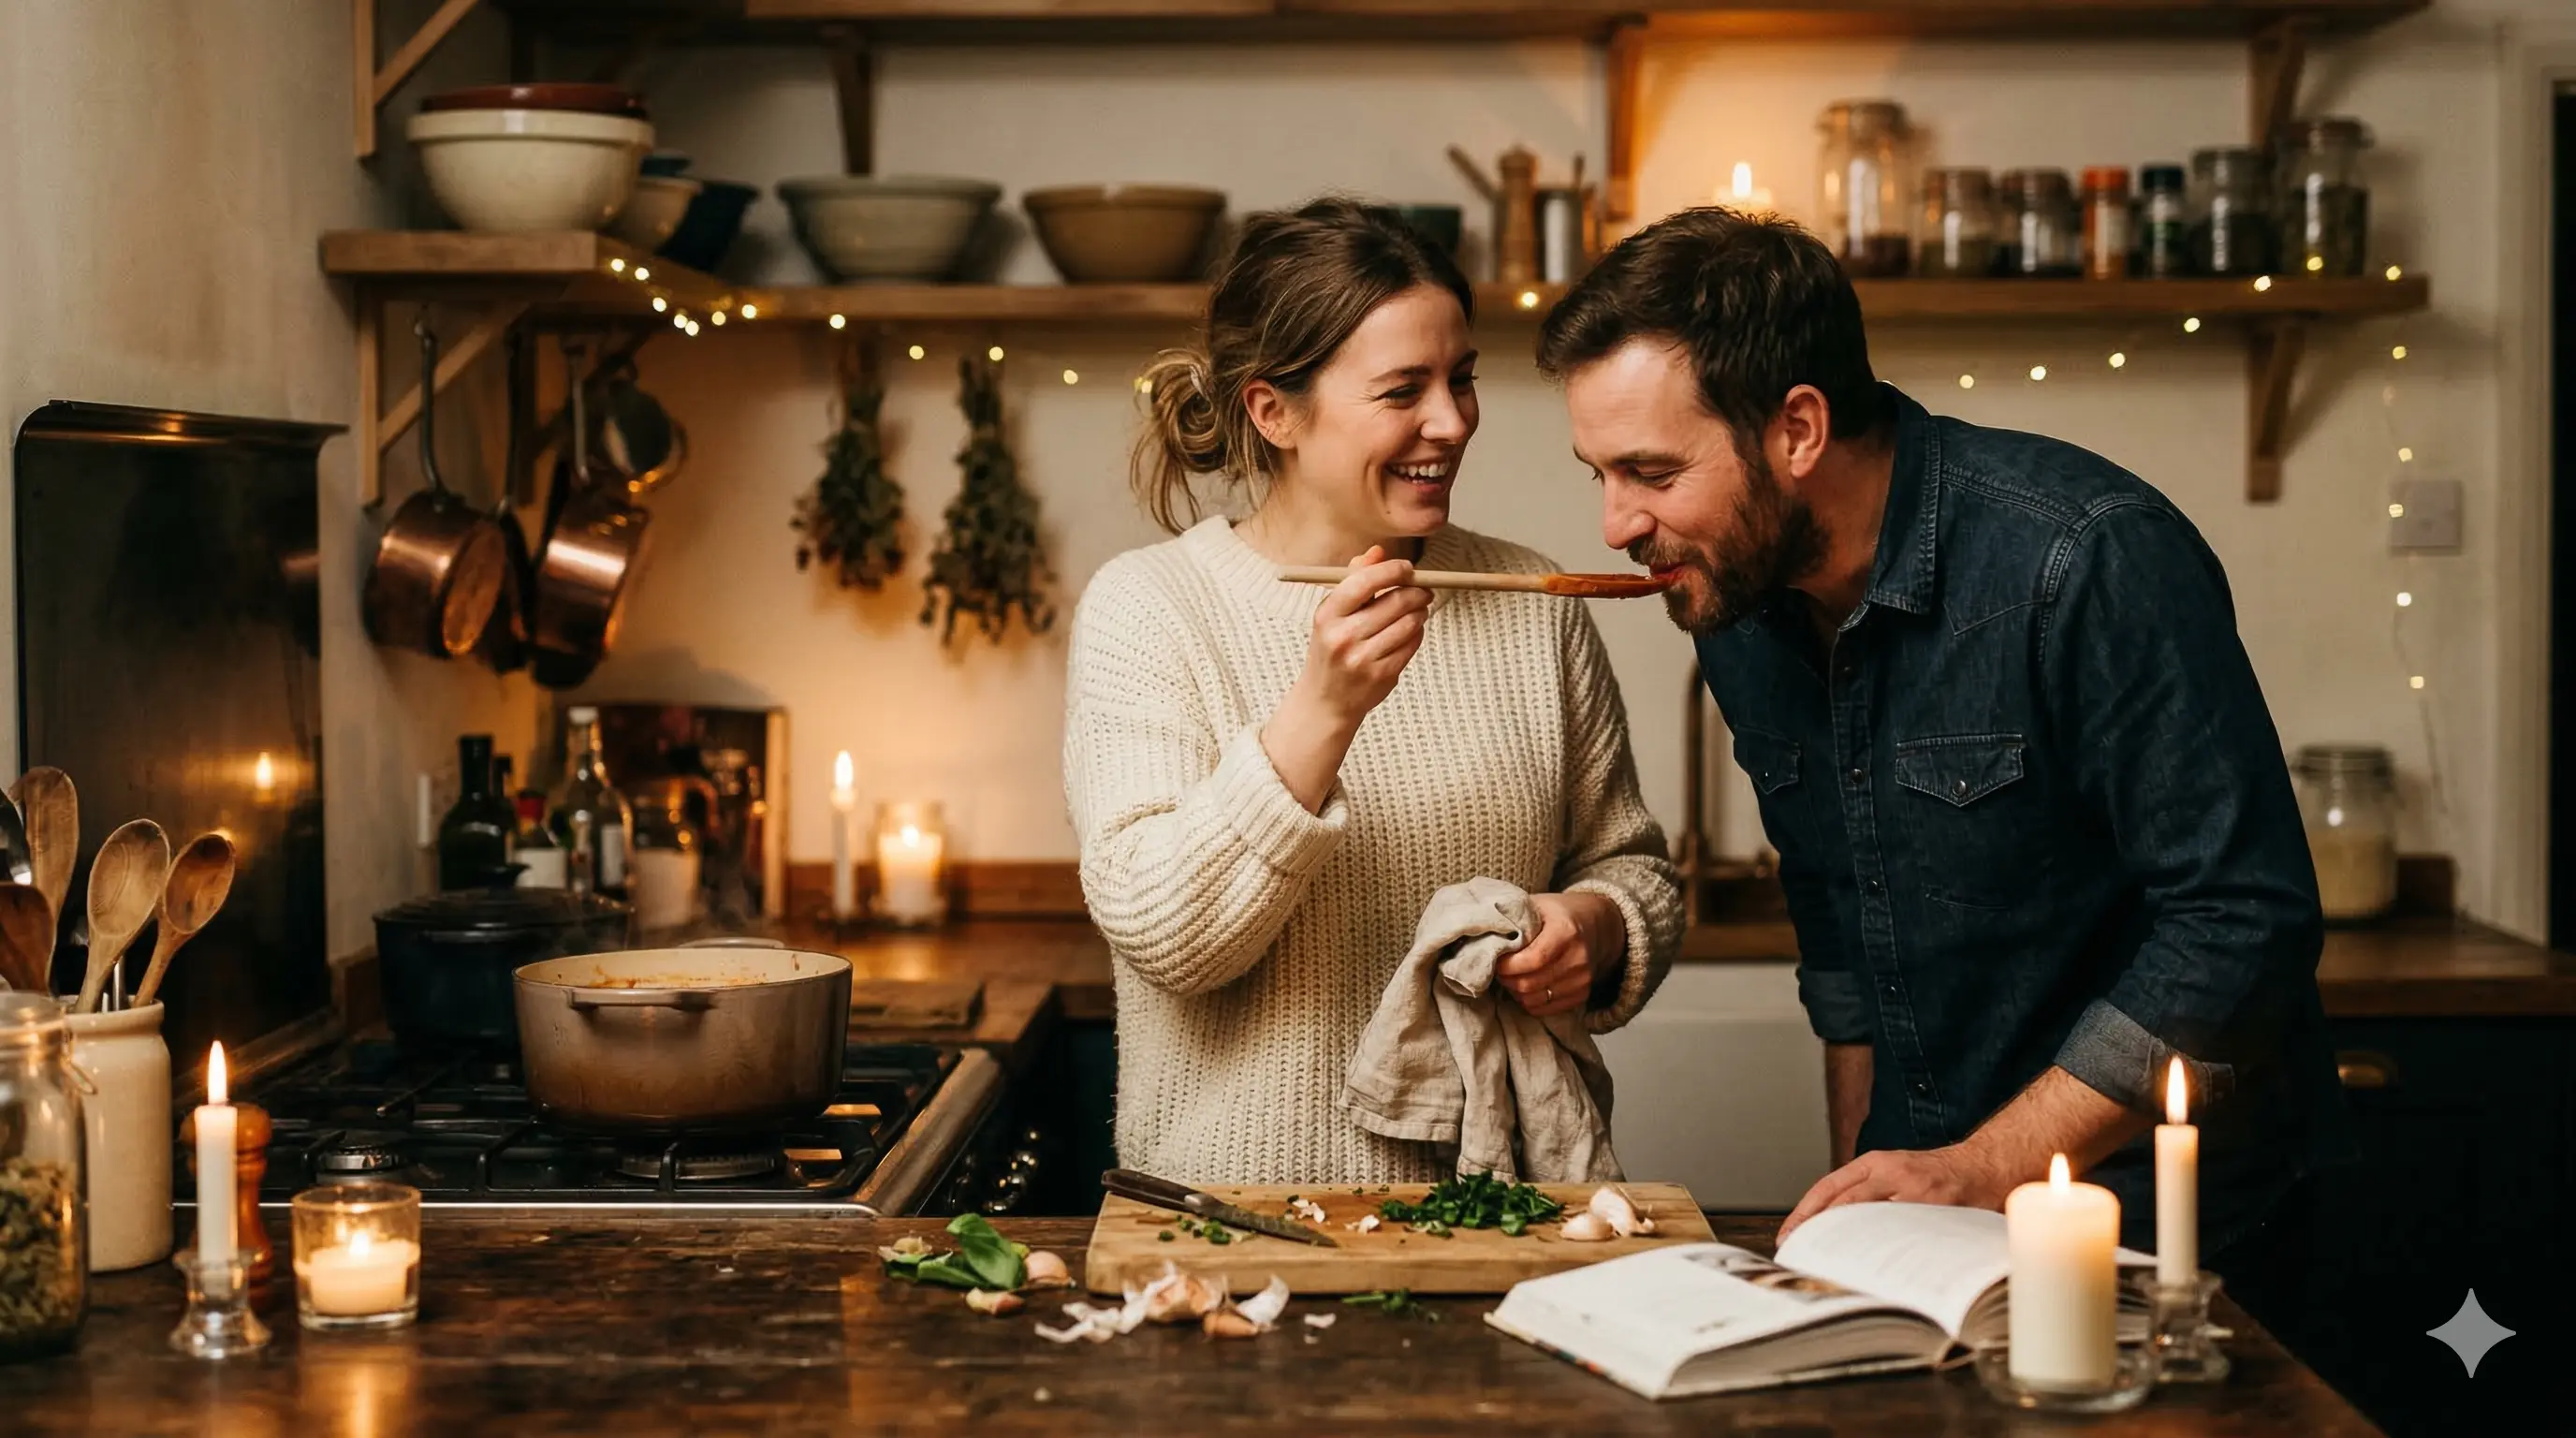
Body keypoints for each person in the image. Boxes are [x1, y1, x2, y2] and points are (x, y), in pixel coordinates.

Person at [1535, 207, 2349, 1312]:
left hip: (2175, 1236)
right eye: (1598, 473)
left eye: (1649, 471)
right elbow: (1839, 929)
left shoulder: (2084, 554)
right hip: (1930, 1225)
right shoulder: (1736, 607)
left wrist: (1978, 1169)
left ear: (1799, 430)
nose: (1615, 524)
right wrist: (1861, 1204)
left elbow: (2240, 919)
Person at [1061, 198, 1682, 1185]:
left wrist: (1597, 928)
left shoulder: (1534, 602)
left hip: (1498, 1214)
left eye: (1462, 378)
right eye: (1404, 390)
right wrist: (1322, 712)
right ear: (1274, 411)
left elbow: (1635, 869)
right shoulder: (1151, 608)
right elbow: (1164, 940)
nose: (1451, 421)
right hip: (1233, 1222)